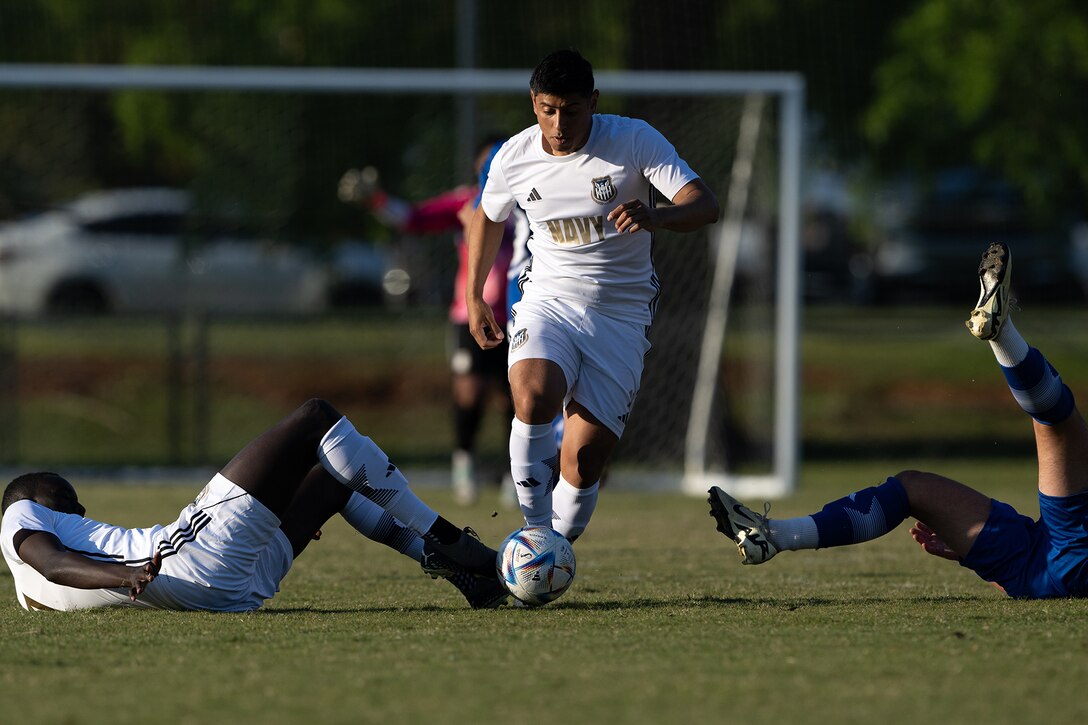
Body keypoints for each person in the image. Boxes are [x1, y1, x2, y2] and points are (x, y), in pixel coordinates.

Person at [709, 242, 1088, 598]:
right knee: (912, 489)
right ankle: (772, 535)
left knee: (1057, 422)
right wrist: (977, 552)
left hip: (1067, 552)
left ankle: (1001, 332)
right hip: (1034, 571)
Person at [465, 49, 720, 544]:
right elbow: (487, 216)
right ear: (534, 104)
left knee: (582, 463)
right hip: (547, 298)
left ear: (594, 103)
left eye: (572, 110)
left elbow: (703, 204)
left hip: (621, 314)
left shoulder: (633, 139)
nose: (558, 124)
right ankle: (534, 538)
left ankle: (552, 552)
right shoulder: (513, 157)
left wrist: (658, 216)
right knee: (534, 393)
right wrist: (476, 296)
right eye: (548, 109)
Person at [1, 399, 509, 611]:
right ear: (31, 493)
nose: (78, 505)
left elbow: (53, 574)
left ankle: (442, 562)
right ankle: (449, 539)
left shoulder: (29, 593)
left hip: (233, 589)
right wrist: (125, 577)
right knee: (315, 417)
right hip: (186, 560)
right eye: (64, 494)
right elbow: (54, 562)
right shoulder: (18, 513)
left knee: (330, 479)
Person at [339, 138, 523, 506]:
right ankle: (464, 464)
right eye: (486, 161)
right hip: (470, 314)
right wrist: (376, 200)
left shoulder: (530, 201)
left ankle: (514, 474)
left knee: (515, 397)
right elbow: (412, 219)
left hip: (521, 314)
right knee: (469, 392)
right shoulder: (466, 202)